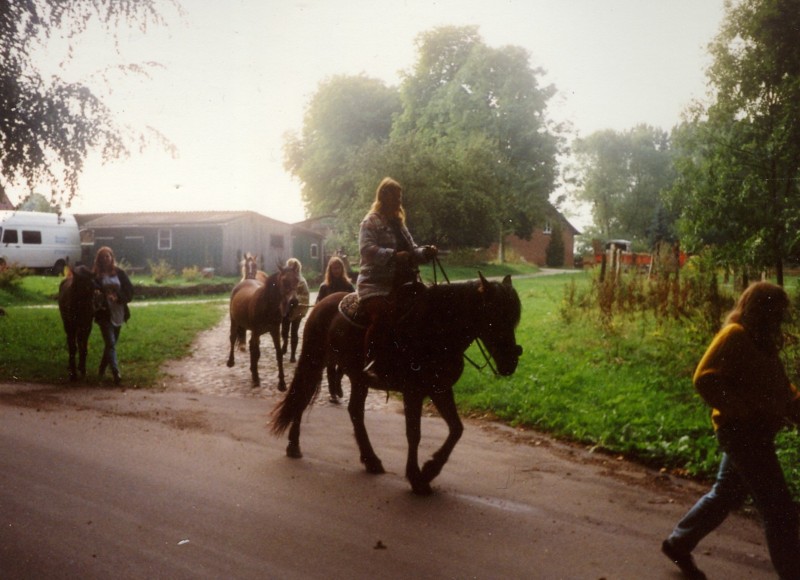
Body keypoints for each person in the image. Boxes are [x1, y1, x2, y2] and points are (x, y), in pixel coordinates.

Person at [662, 281, 800, 580]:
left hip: (756, 432)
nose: (781, 317)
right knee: (778, 508)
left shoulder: (761, 341)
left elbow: (777, 387)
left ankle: (679, 543)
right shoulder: (735, 335)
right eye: (776, 310)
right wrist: (741, 410)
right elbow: (704, 378)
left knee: (727, 494)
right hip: (742, 433)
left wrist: (793, 405)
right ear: (760, 308)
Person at [356, 177, 437, 384]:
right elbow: (366, 249)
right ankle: (371, 361)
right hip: (375, 284)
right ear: (384, 196)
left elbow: (412, 250)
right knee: (383, 315)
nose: (399, 201)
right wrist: (393, 255)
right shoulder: (370, 221)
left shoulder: (399, 223)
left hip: (404, 282)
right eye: (395, 197)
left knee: (427, 308)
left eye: (400, 197)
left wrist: (425, 252)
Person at [316, 255, 356, 402]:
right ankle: (332, 391)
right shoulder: (324, 287)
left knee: (345, 360)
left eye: (338, 268)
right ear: (330, 269)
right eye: (333, 268)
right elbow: (319, 305)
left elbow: (355, 303)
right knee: (331, 361)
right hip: (329, 328)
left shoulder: (348, 286)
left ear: (342, 269)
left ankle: (338, 380)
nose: (336, 270)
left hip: (344, 328)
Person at [92, 246, 133, 385]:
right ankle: (116, 372)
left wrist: (119, 297)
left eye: (107, 256)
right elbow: (92, 292)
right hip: (104, 313)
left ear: (111, 257)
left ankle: (101, 370)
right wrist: (100, 295)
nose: (105, 259)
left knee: (111, 344)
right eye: (102, 257)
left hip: (119, 312)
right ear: (99, 260)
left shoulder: (120, 273)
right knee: (110, 343)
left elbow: (130, 291)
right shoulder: (96, 276)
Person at [281, 257, 310, 363]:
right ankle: (285, 343)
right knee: (284, 330)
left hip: (297, 311)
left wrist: (297, 300)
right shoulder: (285, 281)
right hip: (286, 310)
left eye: (294, 266)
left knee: (294, 332)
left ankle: (293, 354)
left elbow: (306, 296)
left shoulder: (302, 281)